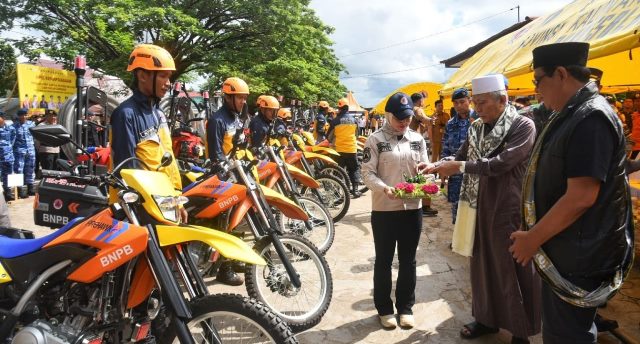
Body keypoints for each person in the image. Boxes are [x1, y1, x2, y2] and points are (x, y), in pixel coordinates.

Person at [509, 42, 634, 344]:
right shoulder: (571, 113)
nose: (537, 90)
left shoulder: (590, 118)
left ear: (561, 74)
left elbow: (581, 197)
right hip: (568, 248)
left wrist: (533, 239)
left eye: (538, 80)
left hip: (580, 254)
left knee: (566, 336)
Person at [432, 75, 540, 344]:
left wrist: (458, 167)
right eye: (475, 103)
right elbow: (461, 155)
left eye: (482, 103)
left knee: (510, 267)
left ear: (502, 100)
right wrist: (436, 167)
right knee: (480, 263)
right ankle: (486, 319)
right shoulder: (476, 127)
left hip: (507, 206)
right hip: (475, 205)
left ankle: (520, 330)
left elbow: (500, 163)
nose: (476, 108)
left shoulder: (522, 126)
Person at [361, 92, 432, 330]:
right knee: (383, 261)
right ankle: (384, 309)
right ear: (389, 115)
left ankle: (405, 308)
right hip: (384, 209)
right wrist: (384, 188)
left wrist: (428, 179)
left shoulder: (417, 139)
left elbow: (424, 168)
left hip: (413, 208)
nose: (405, 122)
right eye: (400, 118)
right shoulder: (374, 139)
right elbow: (367, 173)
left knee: (408, 260)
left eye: (408, 117)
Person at [110, 44, 185, 221]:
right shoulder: (125, 114)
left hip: (162, 202)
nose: (168, 83)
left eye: (169, 77)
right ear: (142, 75)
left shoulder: (158, 114)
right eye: (163, 76)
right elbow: (127, 171)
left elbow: (168, 161)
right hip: (136, 210)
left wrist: (177, 200)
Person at [205, 76, 249, 286]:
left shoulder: (236, 118)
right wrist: (226, 174)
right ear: (228, 97)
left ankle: (232, 256)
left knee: (236, 220)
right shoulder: (217, 120)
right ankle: (224, 268)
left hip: (238, 175)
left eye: (244, 98)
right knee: (224, 225)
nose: (242, 102)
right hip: (223, 179)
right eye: (239, 98)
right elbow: (216, 156)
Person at [441, 88, 474, 223]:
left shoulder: (478, 120)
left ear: (469, 101)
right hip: (454, 172)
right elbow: (446, 148)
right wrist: (442, 168)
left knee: (473, 207)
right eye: (456, 103)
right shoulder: (450, 124)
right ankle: (457, 240)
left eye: (462, 102)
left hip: (473, 171)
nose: (459, 106)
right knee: (456, 206)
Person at [328, 98, 361, 198]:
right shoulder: (354, 120)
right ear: (347, 108)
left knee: (338, 171)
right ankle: (355, 191)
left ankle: (337, 192)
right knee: (354, 169)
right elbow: (357, 135)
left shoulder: (335, 121)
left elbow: (329, 136)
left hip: (339, 150)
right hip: (351, 149)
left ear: (339, 108)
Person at [12, 108, 36, 198]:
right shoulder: (14, 127)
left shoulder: (31, 124)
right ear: (19, 116)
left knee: (30, 169)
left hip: (30, 151)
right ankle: (20, 190)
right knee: (19, 170)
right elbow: (12, 140)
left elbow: (35, 137)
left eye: (26, 115)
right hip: (19, 152)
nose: (24, 117)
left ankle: (30, 188)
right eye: (22, 115)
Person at [0, 111, 16, 201]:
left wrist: (9, 146)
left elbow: (13, 137)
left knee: (8, 175)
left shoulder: (10, 128)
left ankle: (8, 193)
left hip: (8, 156)